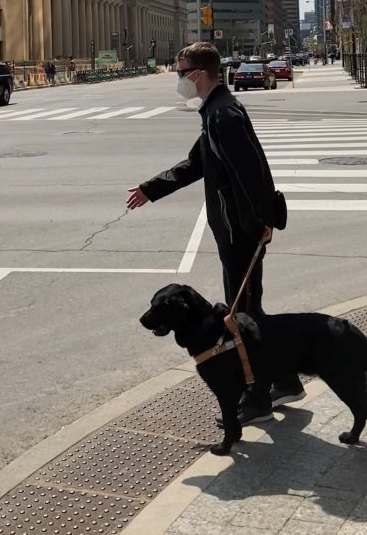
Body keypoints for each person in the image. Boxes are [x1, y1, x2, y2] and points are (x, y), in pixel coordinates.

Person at [127, 41, 305, 424]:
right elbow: (196, 164)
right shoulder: (214, 113)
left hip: (241, 230)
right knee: (247, 312)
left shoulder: (224, 115)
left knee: (243, 316)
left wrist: (262, 224)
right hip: (235, 229)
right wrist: (151, 188)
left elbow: (253, 172)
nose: (178, 79)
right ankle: (285, 379)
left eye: (180, 72)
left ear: (199, 74)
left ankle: (259, 397)